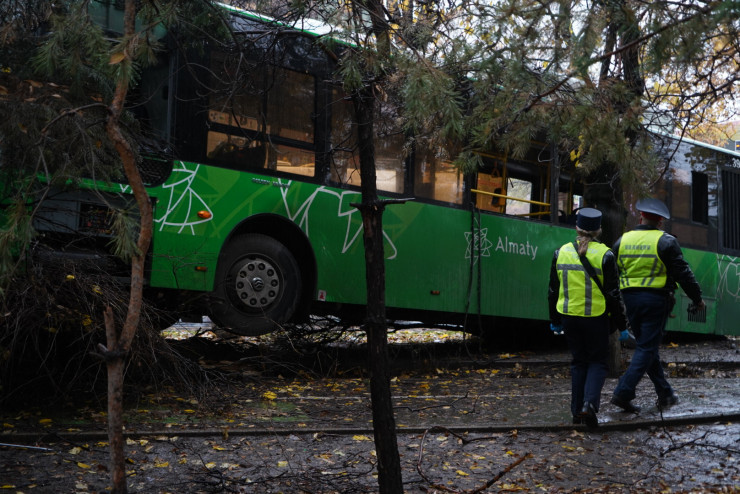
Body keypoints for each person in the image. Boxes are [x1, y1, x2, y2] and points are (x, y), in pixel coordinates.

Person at [610, 198, 706, 413]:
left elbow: (612, 270)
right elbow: (684, 273)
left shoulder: (622, 240)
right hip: (656, 301)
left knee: (647, 346)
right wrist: (697, 299)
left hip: (630, 301)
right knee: (647, 347)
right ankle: (623, 392)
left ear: (641, 217)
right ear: (660, 222)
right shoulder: (666, 241)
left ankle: (665, 393)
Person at [548, 208, 629, 428]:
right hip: (596, 318)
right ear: (599, 230)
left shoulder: (561, 252)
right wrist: (623, 326)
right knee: (597, 362)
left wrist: (554, 319)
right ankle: (589, 405)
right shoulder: (606, 255)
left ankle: (576, 412)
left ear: (577, 228)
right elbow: (614, 295)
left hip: (569, 318)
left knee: (578, 362)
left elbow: (553, 291)